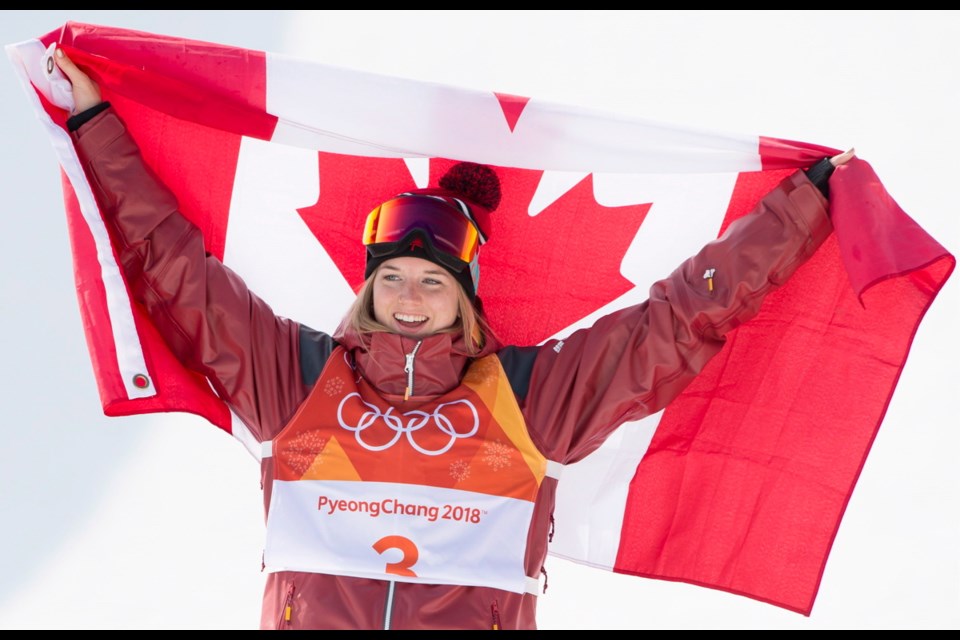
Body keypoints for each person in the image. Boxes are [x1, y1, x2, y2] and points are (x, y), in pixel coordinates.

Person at [53, 47, 854, 630]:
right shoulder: (295, 378)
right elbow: (172, 264)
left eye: (433, 282)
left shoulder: (530, 397)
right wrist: (92, 119)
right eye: (394, 278)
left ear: (463, 302)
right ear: (367, 290)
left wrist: (806, 204)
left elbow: (678, 321)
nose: (410, 298)